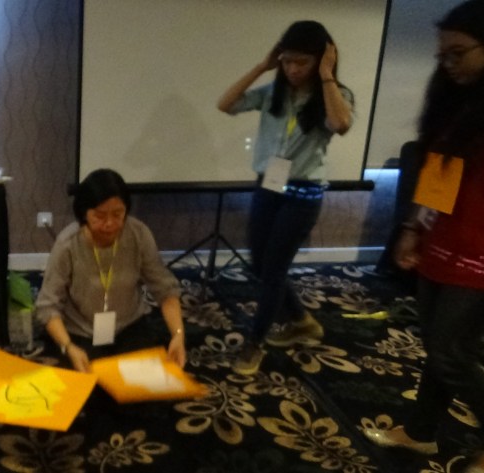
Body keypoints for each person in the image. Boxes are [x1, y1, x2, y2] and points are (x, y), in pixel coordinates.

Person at [362, 2, 484, 472]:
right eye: (442, 56)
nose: (448, 64)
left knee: (452, 353)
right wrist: (412, 228)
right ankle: (420, 433)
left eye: (459, 53)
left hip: (478, 252)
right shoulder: (455, 102)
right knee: (437, 347)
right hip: (443, 239)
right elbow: (438, 176)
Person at [216, 21, 354, 375]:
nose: (293, 69)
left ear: (321, 60)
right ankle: (301, 321)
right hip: (268, 187)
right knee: (260, 264)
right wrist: (263, 66)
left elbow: (341, 124)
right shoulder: (273, 92)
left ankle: (255, 343)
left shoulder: (335, 95)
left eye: (302, 62)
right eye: (288, 61)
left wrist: (326, 76)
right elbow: (225, 104)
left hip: (302, 197)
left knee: (274, 271)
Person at [35, 168, 185, 373]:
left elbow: (165, 289)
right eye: (99, 215)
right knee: (92, 386)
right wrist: (68, 346)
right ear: (84, 214)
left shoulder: (138, 234)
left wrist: (178, 335)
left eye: (117, 214)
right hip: (81, 331)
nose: (109, 224)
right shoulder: (68, 245)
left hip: (129, 325)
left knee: (146, 386)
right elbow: (47, 306)